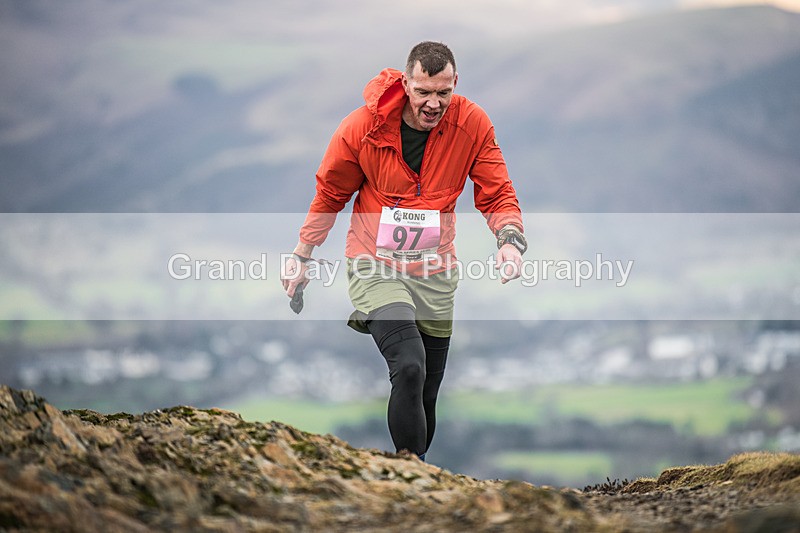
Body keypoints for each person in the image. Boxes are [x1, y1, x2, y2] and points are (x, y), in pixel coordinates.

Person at [281, 41, 527, 461]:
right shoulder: (362, 128)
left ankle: (418, 478)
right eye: (424, 92)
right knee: (409, 366)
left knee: (427, 386)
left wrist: (509, 240)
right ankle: (408, 470)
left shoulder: (473, 124)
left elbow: (497, 191)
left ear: (455, 85)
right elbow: (330, 194)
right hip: (374, 263)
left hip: (435, 269)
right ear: (406, 83)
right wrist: (302, 256)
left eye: (443, 93)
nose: (434, 103)